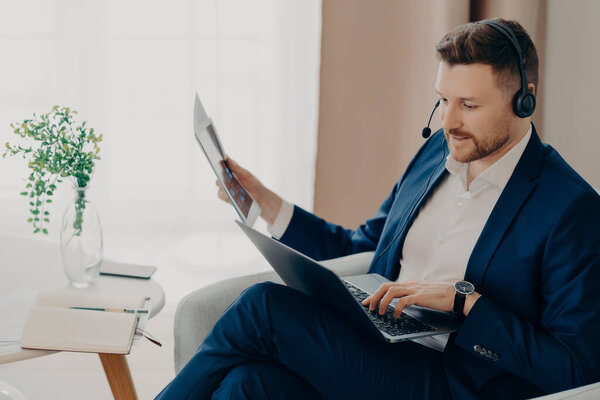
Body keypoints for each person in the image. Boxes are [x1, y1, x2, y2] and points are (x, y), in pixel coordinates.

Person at [156, 18, 600, 399]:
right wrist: (269, 205)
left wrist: (466, 303)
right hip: (378, 345)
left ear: (524, 98)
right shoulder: (435, 158)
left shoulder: (570, 209)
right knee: (246, 384)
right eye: (443, 100)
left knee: (262, 307)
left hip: (452, 382)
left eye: (469, 105)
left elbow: (577, 367)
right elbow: (362, 245)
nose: (448, 123)